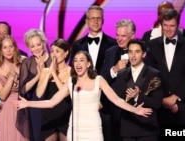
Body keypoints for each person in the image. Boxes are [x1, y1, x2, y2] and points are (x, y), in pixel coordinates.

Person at [14, 50, 153, 141]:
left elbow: (116, 100)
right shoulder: (71, 81)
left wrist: (136, 110)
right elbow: (51, 102)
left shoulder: (99, 80)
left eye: (81, 60)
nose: (78, 63)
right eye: (75, 60)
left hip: (93, 129)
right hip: (75, 130)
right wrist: (27, 103)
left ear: (88, 64)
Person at [69, 6, 117, 141]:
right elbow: (73, 74)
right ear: (87, 21)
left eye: (98, 18)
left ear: (103, 20)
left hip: (107, 104)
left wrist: (101, 99)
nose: (95, 21)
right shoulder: (78, 44)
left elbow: (117, 76)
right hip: (85, 105)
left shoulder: (113, 44)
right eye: (92, 18)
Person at [146, 9, 185, 125]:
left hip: (184, 103)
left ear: (178, 25)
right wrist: (163, 99)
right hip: (160, 103)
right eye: (165, 25)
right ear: (161, 24)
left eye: (172, 25)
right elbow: (150, 74)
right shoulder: (152, 45)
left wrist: (175, 97)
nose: (168, 29)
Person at [111, 39, 163, 141]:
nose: (133, 55)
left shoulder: (154, 74)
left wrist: (138, 97)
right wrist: (127, 98)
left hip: (147, 128)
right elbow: (116, 100)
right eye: (130, 52)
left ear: (144, 54)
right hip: (128, 128)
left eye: (137, 52)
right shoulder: (121, 75)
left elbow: (157, 103)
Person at [100, 19, 136, 141]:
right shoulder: (110, 52)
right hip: (114, 111)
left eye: (123, 36)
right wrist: (114, 69)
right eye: (117, 35)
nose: (119, 39)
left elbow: (152, 78)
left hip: (136, 110)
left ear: (132, 35)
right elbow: (102, 78)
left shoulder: (143, 52)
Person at [0, 35, 29, 141]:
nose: (8, 50)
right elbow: (1, 96)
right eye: (5, 47)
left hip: (21, 107)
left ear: (15, 48)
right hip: (5, 109)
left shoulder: (23, 63)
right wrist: (11, 78)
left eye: (11, 46)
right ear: (0, 50)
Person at [19, 28, 51, 141]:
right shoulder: (27, 63)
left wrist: (45, 71)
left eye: (38, 44)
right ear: (28, 48)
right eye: (32, 46)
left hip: (52, 105)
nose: (36, 48)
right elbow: (22, 90)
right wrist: (38, 75)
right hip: (34, 108)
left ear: (44, 43)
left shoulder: (54, 60)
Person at [36, 38, 71, 141]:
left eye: (57, 51)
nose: (54, 54)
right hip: (48, 116)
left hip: (65, 116)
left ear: (66, 53)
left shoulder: (72, 71)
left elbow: (65, 93)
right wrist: (48, 74)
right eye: (52, 51)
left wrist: (55, 75)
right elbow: (39, 94)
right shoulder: (45, 71)